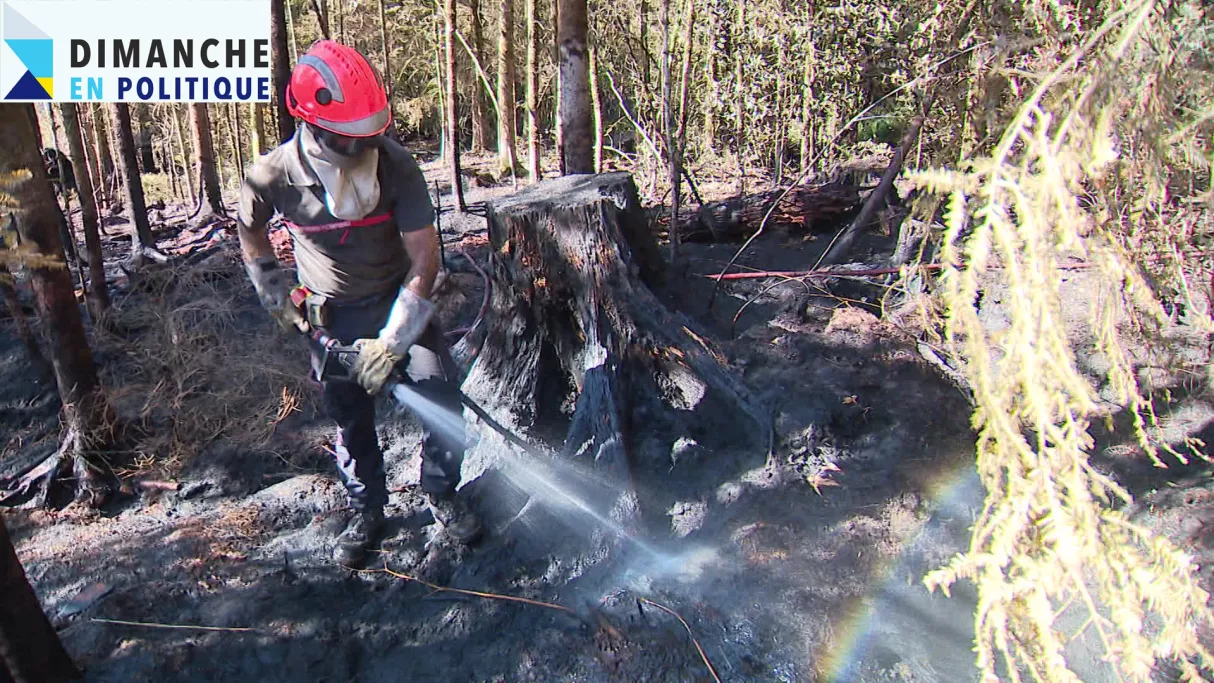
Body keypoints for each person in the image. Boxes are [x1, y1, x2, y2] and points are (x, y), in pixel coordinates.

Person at [236, 40, 482, 566]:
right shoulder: (273, 175)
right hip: (332, 315)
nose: (366, 147)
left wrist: (395, 340)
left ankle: (440, 491)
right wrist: (270, 285)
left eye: (371, 136)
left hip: (402, 306)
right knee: (350, 421)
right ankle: (367, 506)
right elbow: (249, 229)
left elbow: (425, 260)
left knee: (442, 402)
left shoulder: (396, 165)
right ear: (312, 123)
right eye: (353, 139)